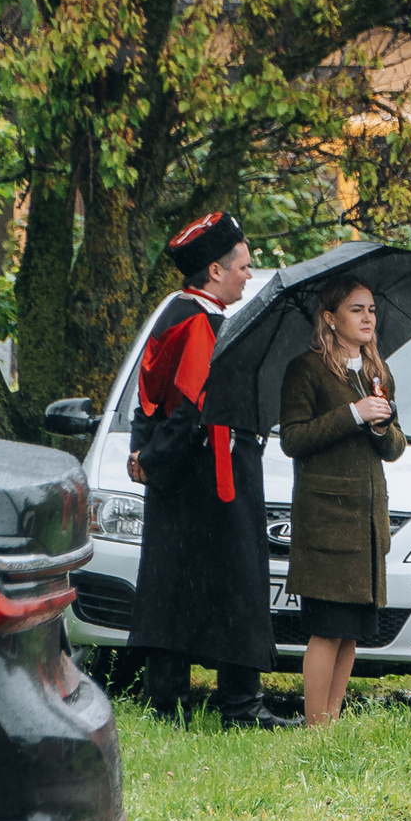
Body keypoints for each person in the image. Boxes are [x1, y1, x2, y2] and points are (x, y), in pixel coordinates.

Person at [125, 211, 292, 728]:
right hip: (208, 478)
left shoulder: (176, 313)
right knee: (236, 583)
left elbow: (147, 402)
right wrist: (152, 461)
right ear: (215, 271)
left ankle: (169, 705)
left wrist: (144, 457)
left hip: (182, 479)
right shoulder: (200, 322)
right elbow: (192, 408)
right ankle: (240, 706)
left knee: (173, 587)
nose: (248, 274)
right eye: (242, 266)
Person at [278, 278, 408, 727]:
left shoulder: (378, 373)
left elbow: (395, 446)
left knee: (351, 632)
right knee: (327, 629)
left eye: (371, 309)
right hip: (326, 521)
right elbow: (293, 439)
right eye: (357, 309)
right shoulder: (306, 370)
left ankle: (330, 725)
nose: (368, 317)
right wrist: (353, 414)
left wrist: (380, 427)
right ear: (330, 318)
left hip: (367, 524)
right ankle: (315, 727)